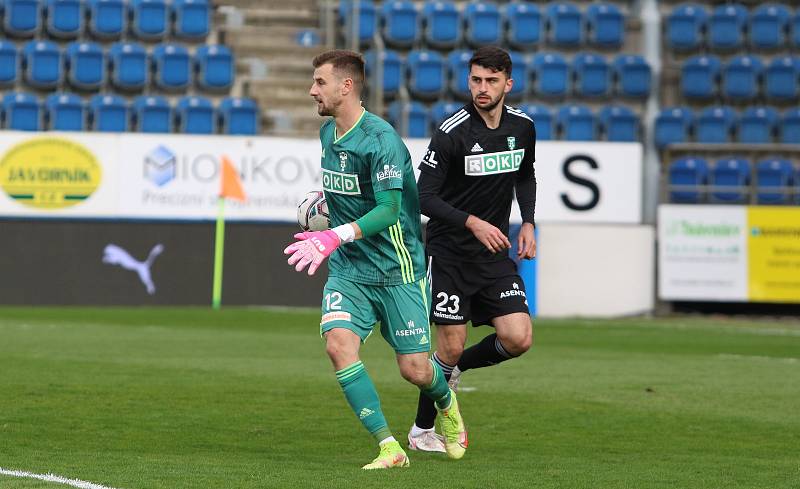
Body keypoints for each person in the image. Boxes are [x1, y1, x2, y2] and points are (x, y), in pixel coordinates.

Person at [284, 50, 467, 469]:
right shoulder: (328, 134)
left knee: (416, 370)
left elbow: (387, 211)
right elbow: (347, 193)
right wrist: (326, 211)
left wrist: (334, 233)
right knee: (338, 345)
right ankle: (389, 446)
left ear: (346, 86)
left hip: (397, 269)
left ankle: (447, 401)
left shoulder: (382, 140)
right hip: (350, 270)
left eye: (319, 82)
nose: (312, 90)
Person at [406, 46, 537, 453]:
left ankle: (456, 370)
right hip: (448, 253)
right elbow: (422, 197)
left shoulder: (523, 127)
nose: (482, 88)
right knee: (449, 343)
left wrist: (528, 221)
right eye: (476, 80)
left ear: (507, 84)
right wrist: (472, 221)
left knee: (518, 338)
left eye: (491, 81)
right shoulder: (452, 132)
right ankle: (421, 430)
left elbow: (526, 176)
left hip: (492, 254)